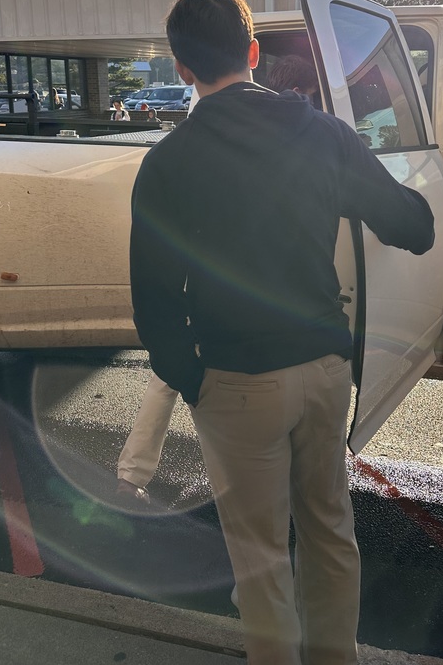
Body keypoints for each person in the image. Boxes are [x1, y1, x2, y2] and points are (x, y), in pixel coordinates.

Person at [128, 0, 435, 665]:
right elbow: (412, 226)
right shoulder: (323, 133)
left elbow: (152, 298)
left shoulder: (169, 162)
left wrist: (189, 378)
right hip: (326, 370)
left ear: (182, 66)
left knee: (260, 561)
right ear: (254, 52)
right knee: (330, 532)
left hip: (234, 383)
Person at [116, 56, 320, 505]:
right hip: (236, 294)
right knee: (185, 380)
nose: (308, 104)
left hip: (204, 277)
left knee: (172, 373)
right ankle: (139, 471)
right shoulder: (291, 129)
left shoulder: (201, 120)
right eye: (306, 96)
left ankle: (133, 473)